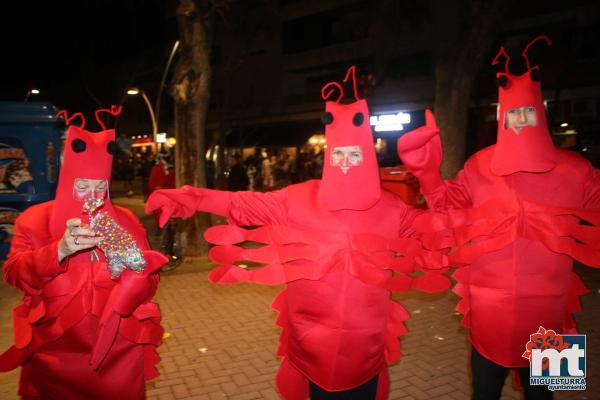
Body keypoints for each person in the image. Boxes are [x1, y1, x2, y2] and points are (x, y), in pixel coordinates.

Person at [147, 66, 449, 399]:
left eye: (355, 154)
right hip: (311, 347)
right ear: (328, 156)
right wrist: (193, 197)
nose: (346, 163)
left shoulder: (393, 209)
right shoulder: (296, 199)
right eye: (339, 154)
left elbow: (440, 236)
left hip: (367, 350)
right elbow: (243, 204)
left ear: (369, 156)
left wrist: (431, 180)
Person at [397, 37, 600, 400]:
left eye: (527, 114)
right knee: (485, 393)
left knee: (545, 395)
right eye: (513, 114)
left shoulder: (578, 171)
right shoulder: (479, 165)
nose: (520, 122)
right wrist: (427, 173)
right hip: (488, 314)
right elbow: (446, 208)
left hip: (552, 313)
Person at [0, 107, 167, 400]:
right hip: (55, 352)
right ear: (67, 184)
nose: (92, 196)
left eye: (99, 188)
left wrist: (135, 273)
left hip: (118, 349)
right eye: (82, 187)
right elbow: (14, 273)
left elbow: (149, 281)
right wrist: (59, 250)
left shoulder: (126, 219)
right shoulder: (35, 219)